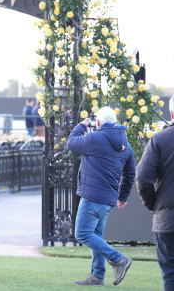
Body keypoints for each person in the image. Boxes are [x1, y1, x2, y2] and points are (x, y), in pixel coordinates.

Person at [67, 106, 136, 286]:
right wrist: (123, 196)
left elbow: (71, 143)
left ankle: (119, 259)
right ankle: (98, 276)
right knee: (95, 234)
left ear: (98, 122)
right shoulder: (126, 145)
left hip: (92, 197)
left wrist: (81, 126)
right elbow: (130, 174)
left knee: (82, 233)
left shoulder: (94, 138)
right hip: (108, 200)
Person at [136, 96, 174, 291]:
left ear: (172, 113)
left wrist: (153, 206)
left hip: (167, 218)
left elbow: (143, 177)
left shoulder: (159, 139)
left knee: (170, 275)